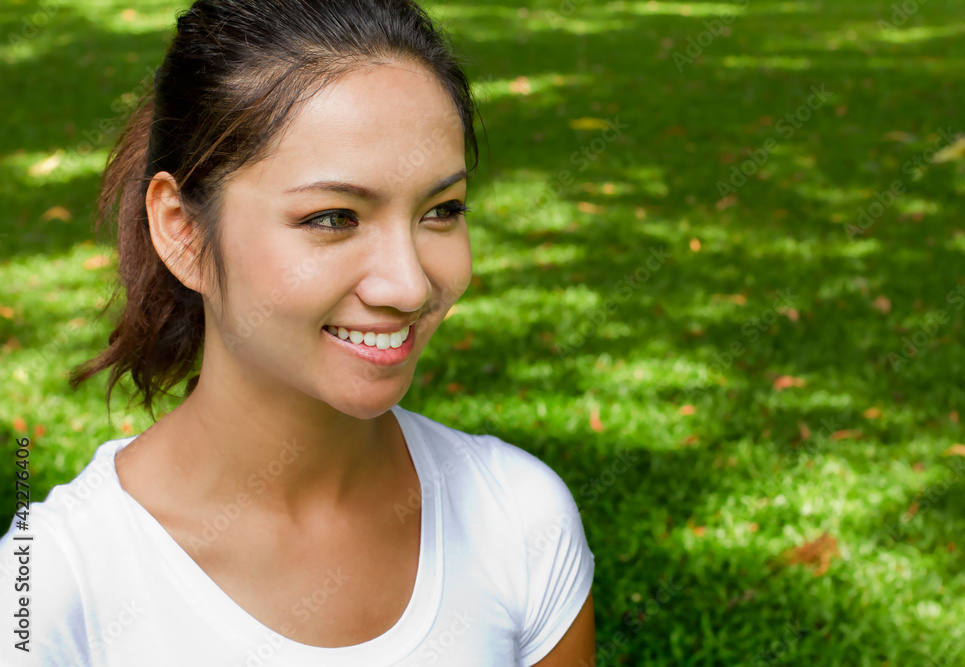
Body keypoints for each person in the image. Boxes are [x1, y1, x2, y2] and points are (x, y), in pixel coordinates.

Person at [0, 0, 596, 664]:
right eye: (334, 217)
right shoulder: (49, 592)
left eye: (441, 210)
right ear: (182, 231)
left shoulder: (519, 520)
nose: (408, 285)